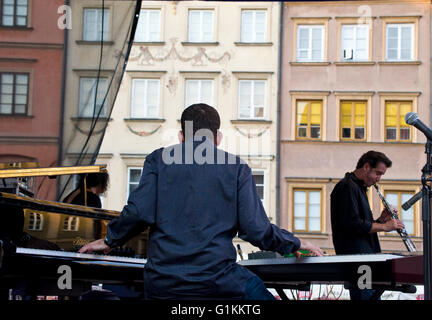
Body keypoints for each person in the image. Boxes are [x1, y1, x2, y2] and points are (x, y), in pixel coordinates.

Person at [80, 103, 323, 300]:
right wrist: (295, 243)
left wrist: (110, 240)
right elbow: (256, 229)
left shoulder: (157, 160)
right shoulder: (236, 168)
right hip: (220, 282)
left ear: (181, 136)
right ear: (217, 137)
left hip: (163, 285)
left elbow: (139, 212)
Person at [330, 150, 405, 300]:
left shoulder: (358, 188)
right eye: (377, 173)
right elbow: (352, 224)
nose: (379, 179)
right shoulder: (347, 187)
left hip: (363, 259)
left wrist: (381, 220)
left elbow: (361, 227)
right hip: (357, 260)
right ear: (366, 167)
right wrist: (385, 227)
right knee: (365, 297)